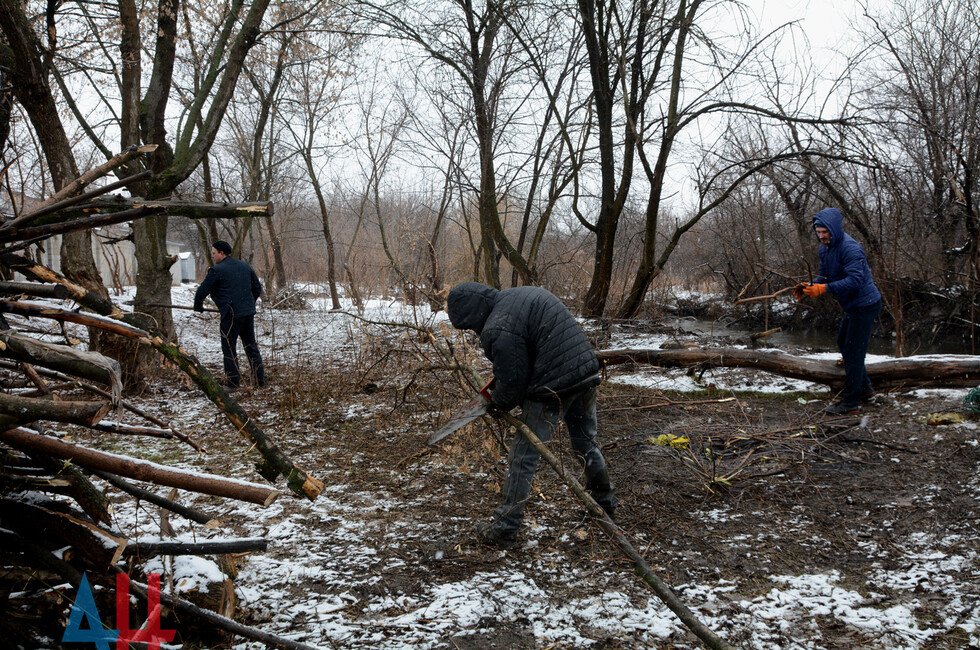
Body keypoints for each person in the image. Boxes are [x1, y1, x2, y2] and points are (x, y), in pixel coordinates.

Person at [446, 281, 617, 549]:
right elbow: (521, 360)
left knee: (523, 456)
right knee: (586, 444)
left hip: (554, 385)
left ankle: (505, 527)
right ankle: (604, 505)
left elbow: (513, 380)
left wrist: (498, 403)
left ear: (474, 314)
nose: (473, 331)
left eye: (469, 326)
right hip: (585, 371)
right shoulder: (518, 297)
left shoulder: (497, 326)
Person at [795, 208, 881, 415]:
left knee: (853, 353)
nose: (822, 236)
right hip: (851, 306)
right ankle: (867, 390)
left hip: (865, 305)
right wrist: (810, 286)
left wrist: (824, 289)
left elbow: (855, 280)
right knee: (844, 344)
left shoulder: (851, 248)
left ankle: (851, 403)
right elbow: (824, 276)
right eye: (819, 232)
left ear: (834, 229)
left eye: (825, 232)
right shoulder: (824, 249)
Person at [194, 240, 265, 389]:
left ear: (221, 253)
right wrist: (248, 303)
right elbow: (257, 287)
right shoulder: (244, 266)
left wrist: (198, 306)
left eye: (214, 253)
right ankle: (260, 380)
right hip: (247, 313)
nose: (212, 256)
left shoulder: (217, 270)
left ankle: (233, 383)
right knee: (251, 345)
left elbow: (202, 291)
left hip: (231, 314)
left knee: (229, 347)